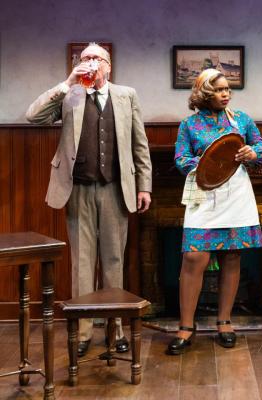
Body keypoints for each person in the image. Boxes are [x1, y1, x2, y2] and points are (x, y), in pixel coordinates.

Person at [26, 43, 152, 357]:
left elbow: (140, 144)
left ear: (109, 66)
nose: (91, 63)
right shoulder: (69, 94)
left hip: (114, 189)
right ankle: (82, 332)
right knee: (82, 263)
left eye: (97, 58)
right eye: (85, 58)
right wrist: (67, 82)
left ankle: (116, 329)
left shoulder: (127, 95)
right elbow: (33, 117)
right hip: (77, 189)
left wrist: (144, 186)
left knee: (113, 262)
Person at [167, 69, 262, 355]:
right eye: (219, 90)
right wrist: (202, 165)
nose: (226, 94)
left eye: (228, 89)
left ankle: (225, 321)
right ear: (204, 93)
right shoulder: (189, 125)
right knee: (194, 257)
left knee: (232, 254)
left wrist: (253, 153)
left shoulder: (242, 120)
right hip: (203, 193)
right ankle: (186, 326)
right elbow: (180, 158)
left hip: (236, 193)